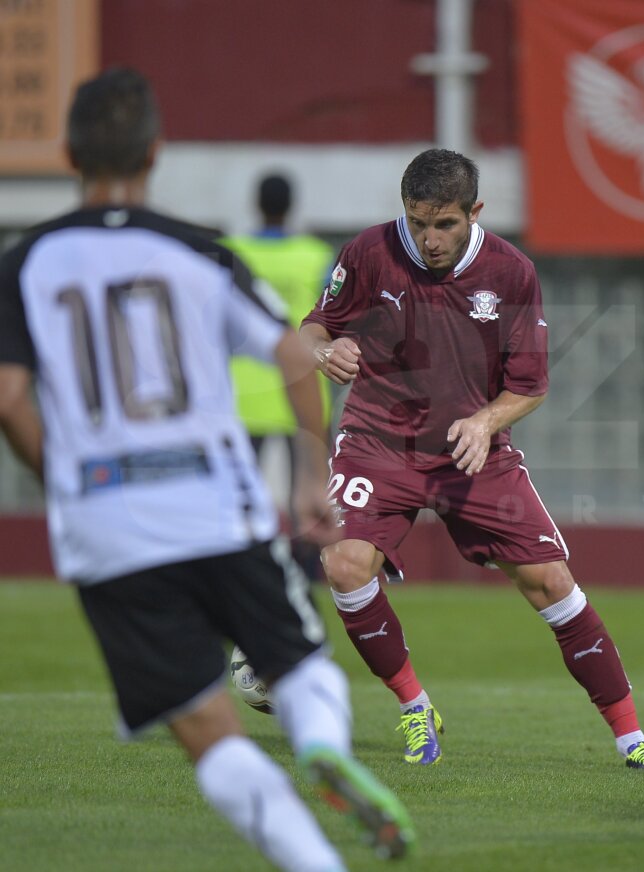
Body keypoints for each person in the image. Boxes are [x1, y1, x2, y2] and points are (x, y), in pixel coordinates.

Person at [0, 68, 414, 870]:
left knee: (205, 730)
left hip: (109, 522)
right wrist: (309, 474)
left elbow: (8, 396)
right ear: (155, 152)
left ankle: (315, 863)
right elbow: (299, 356)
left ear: (67, 153)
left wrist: (63, 473)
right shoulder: (199, 253)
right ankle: (325, 745)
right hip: (212, 496)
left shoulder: (24, 266)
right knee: (295, 664)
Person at [299, 148, 644, 772]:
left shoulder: (512, 272)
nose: (428, 238)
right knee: (343, 566)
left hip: (470, 451)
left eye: (444, 223)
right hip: (378, 441)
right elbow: (313, 328)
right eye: (417, 222)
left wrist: (483, 421)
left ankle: (634, 740)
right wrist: (322, 351)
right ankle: (415, 705)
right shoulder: (369, 252)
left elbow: (529, 384)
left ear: (475, 212)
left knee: (552, 583)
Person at [222, 174, 335, 576]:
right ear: (291, 206)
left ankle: (240, 572)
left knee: (239, 499)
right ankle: (307, 575)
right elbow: (335, 317)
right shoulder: (316, 255)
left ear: (257, 203)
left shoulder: (231, 252)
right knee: (306, 494)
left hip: (241, 398)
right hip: (302, 394)